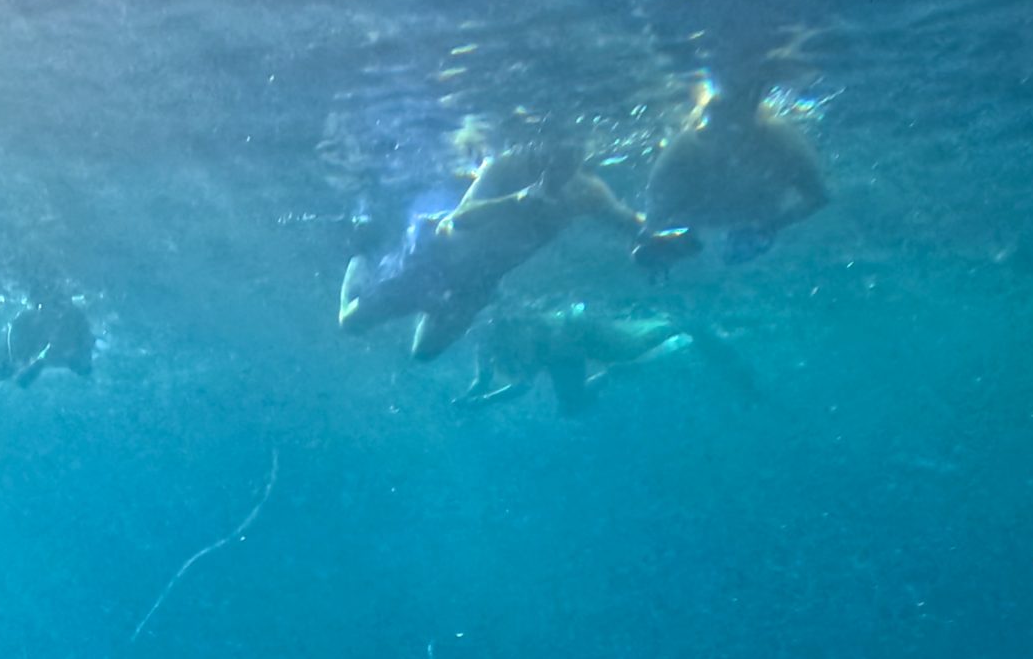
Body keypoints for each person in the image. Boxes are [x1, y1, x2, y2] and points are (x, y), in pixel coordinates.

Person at [339, 142, 642, 363]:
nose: (559, 167)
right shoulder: (508, 166)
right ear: (539, 149)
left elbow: (626, 220)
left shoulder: (588, 192)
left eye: (571, 158)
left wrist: (654, 240)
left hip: (476, 284)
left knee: (424, 353)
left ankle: (432, 304)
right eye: (554, 157)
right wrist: (516, 200)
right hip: (434, 260)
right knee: (350, 322)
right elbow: (460, 217)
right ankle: (361, 255)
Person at [633, 72, 829, 271]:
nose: (704, 133)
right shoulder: (683, 149)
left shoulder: (784, 141)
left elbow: (819, 197)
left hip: (742, 216)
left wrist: (772, 225)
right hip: (738, 216)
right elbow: (654, 217)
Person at [456, 299, 757, 414]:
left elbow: (523, 384)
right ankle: (617, 372)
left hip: (571, 341)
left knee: (634, 344)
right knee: (572, 407)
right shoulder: (482, 340)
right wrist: (469, 399)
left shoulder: (513, 333)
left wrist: (480, 402)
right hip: (562, 352)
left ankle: (698, 323)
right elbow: (482, 378)